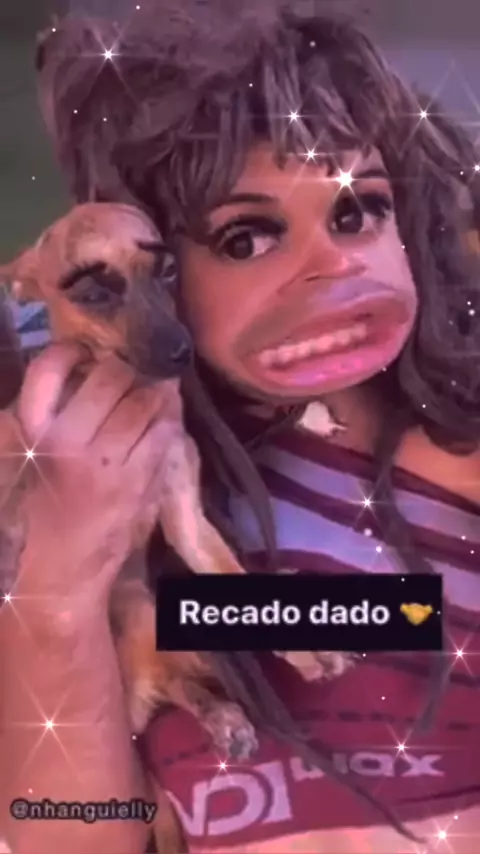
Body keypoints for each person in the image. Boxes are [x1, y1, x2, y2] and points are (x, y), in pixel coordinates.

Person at [1, 1, 479, 852]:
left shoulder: (456, 449)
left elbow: (411, 614)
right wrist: (57, 593)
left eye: (359, 211)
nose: (333, 265)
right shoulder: (104, 473)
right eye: (246, 238)